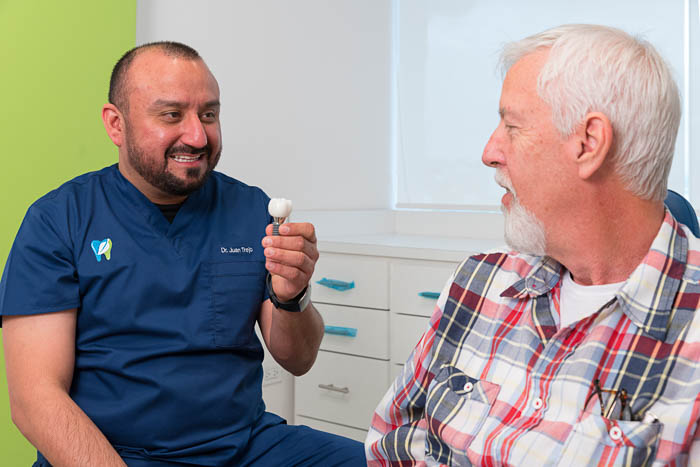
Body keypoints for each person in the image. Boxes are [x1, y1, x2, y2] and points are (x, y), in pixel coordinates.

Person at [0, 41, 365, 466]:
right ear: (116, 124)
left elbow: (298, 359)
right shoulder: (59, 220)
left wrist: (292, 296)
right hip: (114, 454)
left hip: (245, 446)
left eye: (208, 114)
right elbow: (34, 399)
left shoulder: (250, 209)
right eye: (172, 115)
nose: (197, 135)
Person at [366, 24, 699, 465]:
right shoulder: (478, 283)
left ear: (589, 144)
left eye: (512, 125)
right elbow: (393, 444)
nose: (489, 151)